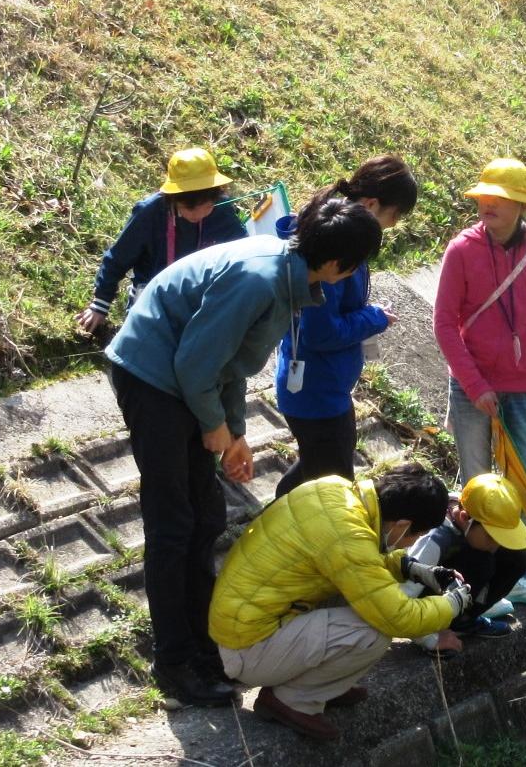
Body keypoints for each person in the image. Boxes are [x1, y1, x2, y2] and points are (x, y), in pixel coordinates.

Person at [104, 195, 383, 709]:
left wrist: (234, 432)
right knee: (173, 523)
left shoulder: (289, 276)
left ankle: (205, 647)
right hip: (152, 376)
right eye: (357, 265)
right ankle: (174, 661)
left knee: (206, 515)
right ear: (337, 265)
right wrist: (214, 426)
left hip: (186, 381)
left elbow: (226, 363)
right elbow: (194, 364)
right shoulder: (259, 279)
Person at [208, 464, 472, 742]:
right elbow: (398, 616)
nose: (410, 543)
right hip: (248, 648)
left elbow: (358, 563)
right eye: (415, 536)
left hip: (245, 621)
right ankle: (292, 700)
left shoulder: (338, 492)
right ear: (403, 524)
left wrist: (409, 567)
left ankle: (326, 683)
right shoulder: (349, 534)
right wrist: (453, 603)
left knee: (360, 599)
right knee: (374, 631)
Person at [432, 157, 526, 607]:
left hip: (524, 388)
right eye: (483, 196)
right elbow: (445, 324)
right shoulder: (461, 249)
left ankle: (514, 577)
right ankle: (471, 585)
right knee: (476, 487)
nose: (487, 203)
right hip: (473, 388)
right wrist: (474, 383)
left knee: (520, 485)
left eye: (499, 198)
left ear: (520, 205)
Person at [273, 157, 418, 498]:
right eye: (393, 216)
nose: (393, 225)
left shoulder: (340, 234)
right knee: (333, 488)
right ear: (371, 204)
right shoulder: (335, 248)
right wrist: (375, 318)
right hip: (316, 390)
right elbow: (321, 332)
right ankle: (275, 538)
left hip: (322, 385)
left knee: (316, 470)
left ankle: (267, 533)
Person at [76, 147, 245, 338]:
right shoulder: (149, 213)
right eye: (192, 209)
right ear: (175, 200)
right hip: (150, 300)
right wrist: (100, 304)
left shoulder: (222, 210)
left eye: (207, 207)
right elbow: (117, 258)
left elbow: (242, 251)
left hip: (200, 302)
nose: (201, 214)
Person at [403, 473, 526, 656]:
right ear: (464, 518)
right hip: (424, 597)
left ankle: (463, 621)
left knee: (517, 557)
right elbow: (401, 601)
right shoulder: (433, 539)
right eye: (492, 536)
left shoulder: (472, 511)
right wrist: (428, 637)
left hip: (454, 589)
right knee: (482, 562)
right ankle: (438, 627)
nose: (496, 543)